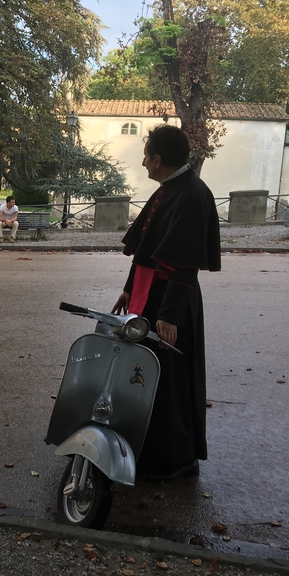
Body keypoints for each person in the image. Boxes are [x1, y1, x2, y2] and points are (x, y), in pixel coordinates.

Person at [112, 125, 221, 483]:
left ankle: (174, 460)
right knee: (146, 377)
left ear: (158, 159)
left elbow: (184, 263)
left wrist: (169, 316)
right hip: (150, 298)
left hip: (170, 304)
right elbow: (148, 250)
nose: (143, 162)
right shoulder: (169, 190)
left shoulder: (191, 194)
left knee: (168, 381)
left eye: (146, 156)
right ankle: (148, 449)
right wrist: (130, 289)